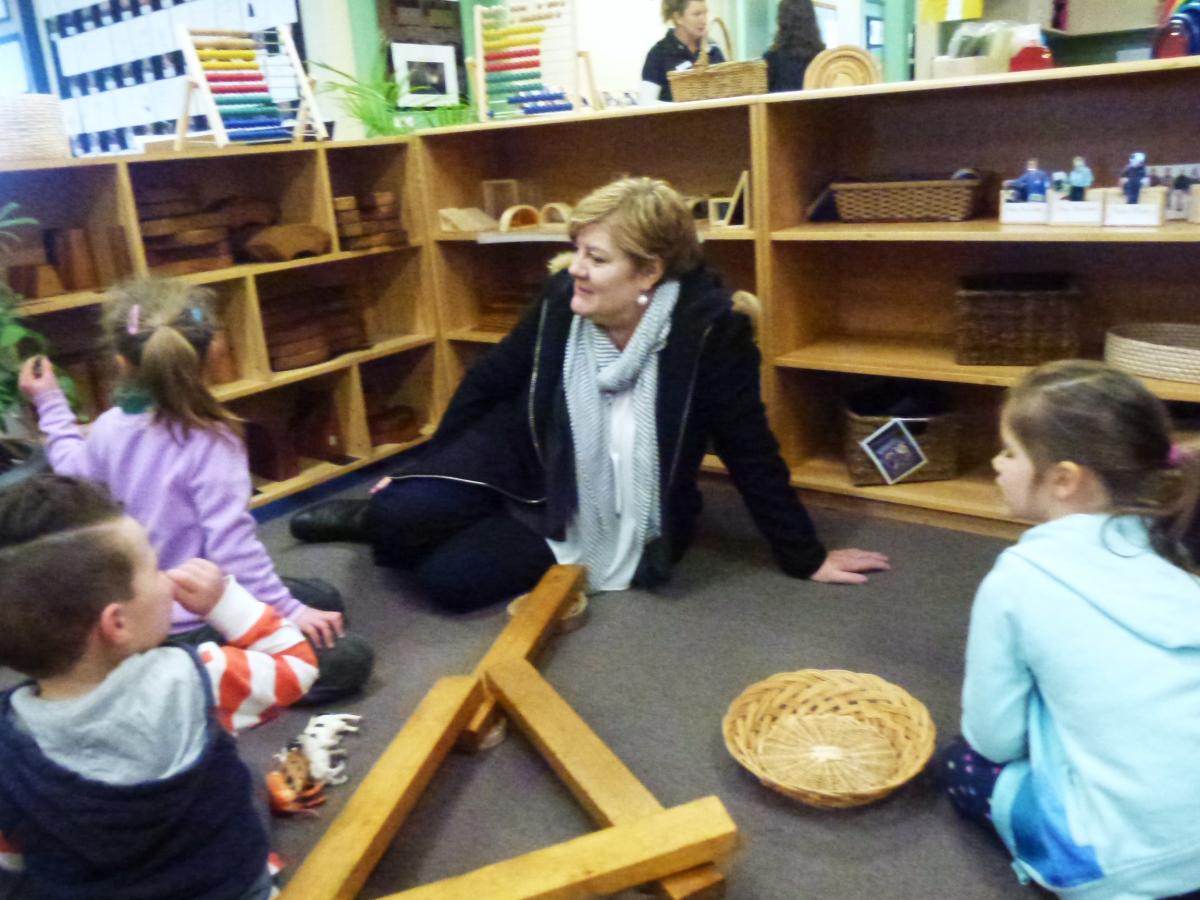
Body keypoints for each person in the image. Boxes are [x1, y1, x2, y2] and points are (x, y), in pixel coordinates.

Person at [290, 176, 888, 612]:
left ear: (649, 272)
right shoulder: (561, 298)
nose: (574, 266)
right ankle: (384, 513)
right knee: (398, 513)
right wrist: (428, 469)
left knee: (450, 583)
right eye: (577, 249)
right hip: (531, 460)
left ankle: (432, 521)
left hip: (597, 517)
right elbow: (489, 379)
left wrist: (804, 555)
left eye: (595, 257)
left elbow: (749, 446)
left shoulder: (712, 333)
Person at [18, 278, 372, 704]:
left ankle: (174, 668)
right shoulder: (212, 439)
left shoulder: (110, 426)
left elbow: (72, 471)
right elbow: (234, 550)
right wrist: (287, 612)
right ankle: (207, 679)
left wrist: (51, 403)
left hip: (140, 615)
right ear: (212, 354)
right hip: (202, 617)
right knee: (350, 658)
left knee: (324, 597)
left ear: (120, 361)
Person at [939, 360, 1200, 899]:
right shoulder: (1179, 560)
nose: (997, 462)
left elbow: (994, 738)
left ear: (1063, 479)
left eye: (1010, 450)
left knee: (961, 762)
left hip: (1124, 868)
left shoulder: (1020, 578)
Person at [0, 475, 318, 898]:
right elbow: (298, 666)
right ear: (116, 623)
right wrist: (226, 602)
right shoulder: (200, 675)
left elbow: (14, 860)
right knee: (244, 780)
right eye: (153, 568)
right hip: (232, 886)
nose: (168, 579)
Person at [640, 0, 726, 103]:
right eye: (696, 14)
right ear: (678, 18)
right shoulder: (658, 54)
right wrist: (683, 109)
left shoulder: (713, 49)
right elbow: (645, 102)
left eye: (705, 13)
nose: (703, 20)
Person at [763, 0, 825, 93]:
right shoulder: (824, 58)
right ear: (812, 20)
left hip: (781, 108)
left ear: (781, 22)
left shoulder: (770, 60)